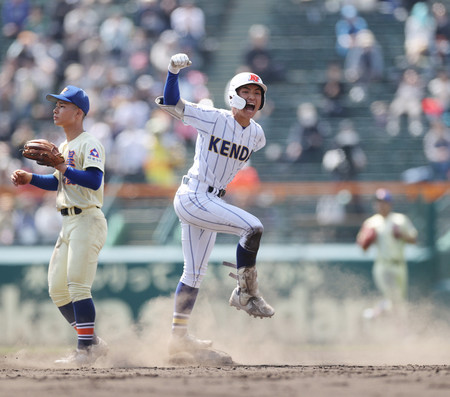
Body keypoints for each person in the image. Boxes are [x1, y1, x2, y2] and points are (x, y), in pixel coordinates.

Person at [155, 53, 275, 359]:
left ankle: (177, 340)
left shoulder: (257, 136)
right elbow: (171, 103)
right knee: (252, 227)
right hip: (194, 194)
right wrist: (172, 72)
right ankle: (245, 293)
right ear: (233, 96)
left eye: (257, 93)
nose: (252, 97)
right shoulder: (215, 118)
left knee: (193, 274)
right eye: (246, 92)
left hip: (211, 198)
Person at [10, 85, 108, 366]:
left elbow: (93, 180)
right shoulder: (64, 147)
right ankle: (93, 343)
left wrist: (63, 167)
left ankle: (85, 351)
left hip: (87, 218)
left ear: (78, 113)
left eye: (62, 105)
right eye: (56, 104)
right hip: (67, 222)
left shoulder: (90, 143)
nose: (55, 109)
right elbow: (58, 181)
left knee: (78, 286)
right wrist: (31, 178)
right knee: (57, 288)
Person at [356, 188, 418, 319]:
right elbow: (362, 246)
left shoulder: (400, 219)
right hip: (383, 265)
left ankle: (382, 320)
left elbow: (414, 239)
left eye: (384, 201)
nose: (381, 205)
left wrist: (402, 235)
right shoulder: (371, 222)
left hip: (399, 265)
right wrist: (366, 240)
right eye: (378, 202)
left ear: (390, 203)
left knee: (399, 301)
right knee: (391, 299)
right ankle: (373, 314)